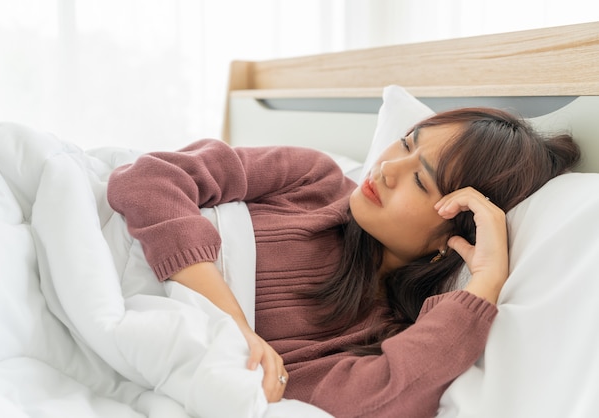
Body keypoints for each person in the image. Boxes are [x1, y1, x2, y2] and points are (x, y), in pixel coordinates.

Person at [107, 107, 580, 417]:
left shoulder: (381, 333)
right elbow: (149, 179)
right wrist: (233, 325)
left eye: (421, 182)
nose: (388, 168)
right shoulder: (312, 178)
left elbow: (380, 399)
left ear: (453, 235)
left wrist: (485, 284)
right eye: (407, 141)